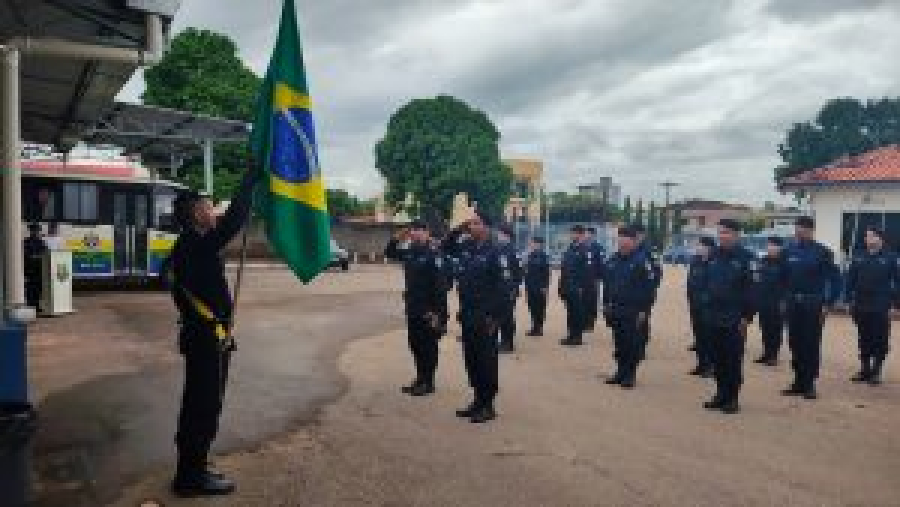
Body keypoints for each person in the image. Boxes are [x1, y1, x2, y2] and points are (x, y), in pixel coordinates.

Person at [163, 167, 259, 497]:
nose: (212, 210)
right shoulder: (194, 245)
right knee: (203, 406)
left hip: (205, 337)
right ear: (194, 217)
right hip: (205, 341)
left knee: (201, 404)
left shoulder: (189, 245)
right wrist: (249, 180)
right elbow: (234, 221)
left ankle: (194, 465)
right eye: (206, 206)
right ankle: (190, 478)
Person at [443, 211, 508, 423]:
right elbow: (446, 248)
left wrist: (495, 317)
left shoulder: (496, 252)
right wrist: (457, 229)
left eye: (476, 223)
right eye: (470, 224)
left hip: (486, 317)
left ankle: (488, 405)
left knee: (486, 361)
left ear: (487, 227)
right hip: (468, 315)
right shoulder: (467, 248)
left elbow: (505, 287)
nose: (472, 227)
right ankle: (477, 400)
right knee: (471, 360)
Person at [385, 221, 451, 396]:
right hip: (413, 308)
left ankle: (428, 382)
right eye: (413, 230)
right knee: (415, 345)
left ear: (427, 233)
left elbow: (441, 288)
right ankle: (420, 378)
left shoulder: (435, 255)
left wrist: (439, 314)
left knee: (428, 346)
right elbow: (389, 252)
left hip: (429, 311)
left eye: (420, 230)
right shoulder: (410, 253)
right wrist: (397, 237)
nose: (416, 233)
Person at [781, 216, 841, 400]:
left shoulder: (823, 252)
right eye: (796, 228)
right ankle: (798, 381)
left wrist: (828, 303)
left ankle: (809, 384)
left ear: (810, 230)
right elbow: (783, 278)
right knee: (794, 342)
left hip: (813, 304)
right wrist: (783, 300)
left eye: (801, 228)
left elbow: (836, 279)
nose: (798, 232)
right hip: (793, 303)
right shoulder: (788, 250)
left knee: (811, 343)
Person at [702, 220, 756, 414]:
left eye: (726, 233)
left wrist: (747, 317)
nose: (722, 236)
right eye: (720, 232)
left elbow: (752, 289)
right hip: (713, 315)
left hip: (734, 318)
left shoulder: (746, 258)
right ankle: (720, 394)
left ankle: (732, 398)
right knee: (717, 358)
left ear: (736, 235)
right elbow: (706, 282)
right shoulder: (713, 255)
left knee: (732, 359)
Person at [601, 226, 659, 389]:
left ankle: (629, 374)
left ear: (634, 241)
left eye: (625, 239)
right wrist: (605, 304)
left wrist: (644, 310)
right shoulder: (613, 259)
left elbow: (649, 288)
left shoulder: (642, 261)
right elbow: (607, 284)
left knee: (631, 343)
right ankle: (620, 372)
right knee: (619, 343)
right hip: (615, 308)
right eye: (619, 238)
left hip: (633, 310)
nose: (621, 242)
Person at [845, 226, 900, 385]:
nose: (867, 239)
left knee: (880, 338)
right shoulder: (858, 256)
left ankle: (876, 371)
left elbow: (897, 282)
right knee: (864, 337)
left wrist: (896, 305)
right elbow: (850, 280)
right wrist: (848, 300)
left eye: (870, 236)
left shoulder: (891, 257)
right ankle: (865, 369)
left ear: (879, 239)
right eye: (866, 236)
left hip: (881, 305)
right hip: (861, 304)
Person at [753, 236, 790, 366]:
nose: (770, 247)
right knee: (764, 327)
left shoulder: (785, 262)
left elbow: (789, 284)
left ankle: (773, 355)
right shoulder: (763, 260)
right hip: (763, 300)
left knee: (775, 328)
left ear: (780, 247)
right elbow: (756, 278)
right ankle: (766, 352)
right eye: (769, 245)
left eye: (773, 245)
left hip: (777, 302)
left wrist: (784, 301)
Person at [631, 223, 662, 359]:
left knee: (642, 320)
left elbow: (657, 272)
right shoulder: (631, 249)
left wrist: (650, 290)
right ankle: (633, 346)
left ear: (642, 234)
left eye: (636, 234)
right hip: (630, 293)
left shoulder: (649, 250)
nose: (634, 237)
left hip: (645, 292)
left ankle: (641, 348)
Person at [687, 237, 715, 378]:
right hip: (695, 305)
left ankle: (710, 366)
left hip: (709, 308)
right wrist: (690, 299)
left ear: (709, 247)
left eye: (701, 246)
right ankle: (701, 364)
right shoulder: (695, 261)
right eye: (698, 245)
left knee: (708, 337)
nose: (698, 248)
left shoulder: (714, 262)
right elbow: (690, 281)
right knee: (699, 337)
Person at [559, 225, 591, 346]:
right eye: (572, 233)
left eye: (574, 233)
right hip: (568, 286)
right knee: (571, 312)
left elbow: (587, 272)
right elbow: (564, 268)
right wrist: (561, 286)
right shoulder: (570, 249)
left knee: (578, 312)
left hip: (578, 287)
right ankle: (571, 335)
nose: (572, 235)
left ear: (580, 235)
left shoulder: (585, 250)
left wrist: (583, 287)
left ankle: (577, 337)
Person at [496, 224, 523, 353]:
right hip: (500, 288)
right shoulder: (500, 249)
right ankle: (504, 340)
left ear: (506, 235)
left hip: (509, 289)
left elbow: (518, 271)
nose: (498, 236)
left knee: (507, 316)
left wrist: (514, 288)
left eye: (500, 234)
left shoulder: (513, 250)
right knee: (501, 315)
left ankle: (509, 344)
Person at [524, 236, 551, 337]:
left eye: (532, 243)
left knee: (540, 307)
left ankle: (539, 328)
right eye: (531, 243)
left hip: (540, 286)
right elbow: (526, 272)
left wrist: (545, 287)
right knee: (532, 307)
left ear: (538, 244)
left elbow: (546, 273)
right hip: (530, 285)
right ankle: (534, 327)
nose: (530, 245)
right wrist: (526, 287)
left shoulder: (543, 256)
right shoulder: (530, 255)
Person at [583, 227, 605, 331]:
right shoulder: (582, 246)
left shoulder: (598, 248)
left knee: (592, 300)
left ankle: (590, 323)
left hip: (593, 279)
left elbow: (601, 264)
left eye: (588, 234)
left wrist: (599, 278)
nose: (586, 236)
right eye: (586, 234)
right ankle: (583, 320)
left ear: (593, 235)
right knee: (583, 300)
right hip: (583, 279)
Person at [24, 223, 49, 311]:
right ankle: (30, 305)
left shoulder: (41, 242)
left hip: (39, 268)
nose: (36, 232)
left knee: (38, 288)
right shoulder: (26, 242)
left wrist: (39, 257)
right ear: (31, 231)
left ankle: (37, 305)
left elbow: (46, 253)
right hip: (30, 269)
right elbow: (25, 255)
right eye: (34, 231)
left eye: (37, 231)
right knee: (30, 288)